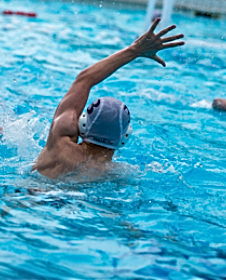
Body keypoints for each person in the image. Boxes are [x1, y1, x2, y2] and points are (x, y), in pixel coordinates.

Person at [32, 19, 185, 180]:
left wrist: (134, 50)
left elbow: (83, 80)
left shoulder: (60, 143)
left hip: (27, 196)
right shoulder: (120, 174)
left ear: (82, 125)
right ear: (125, 136)